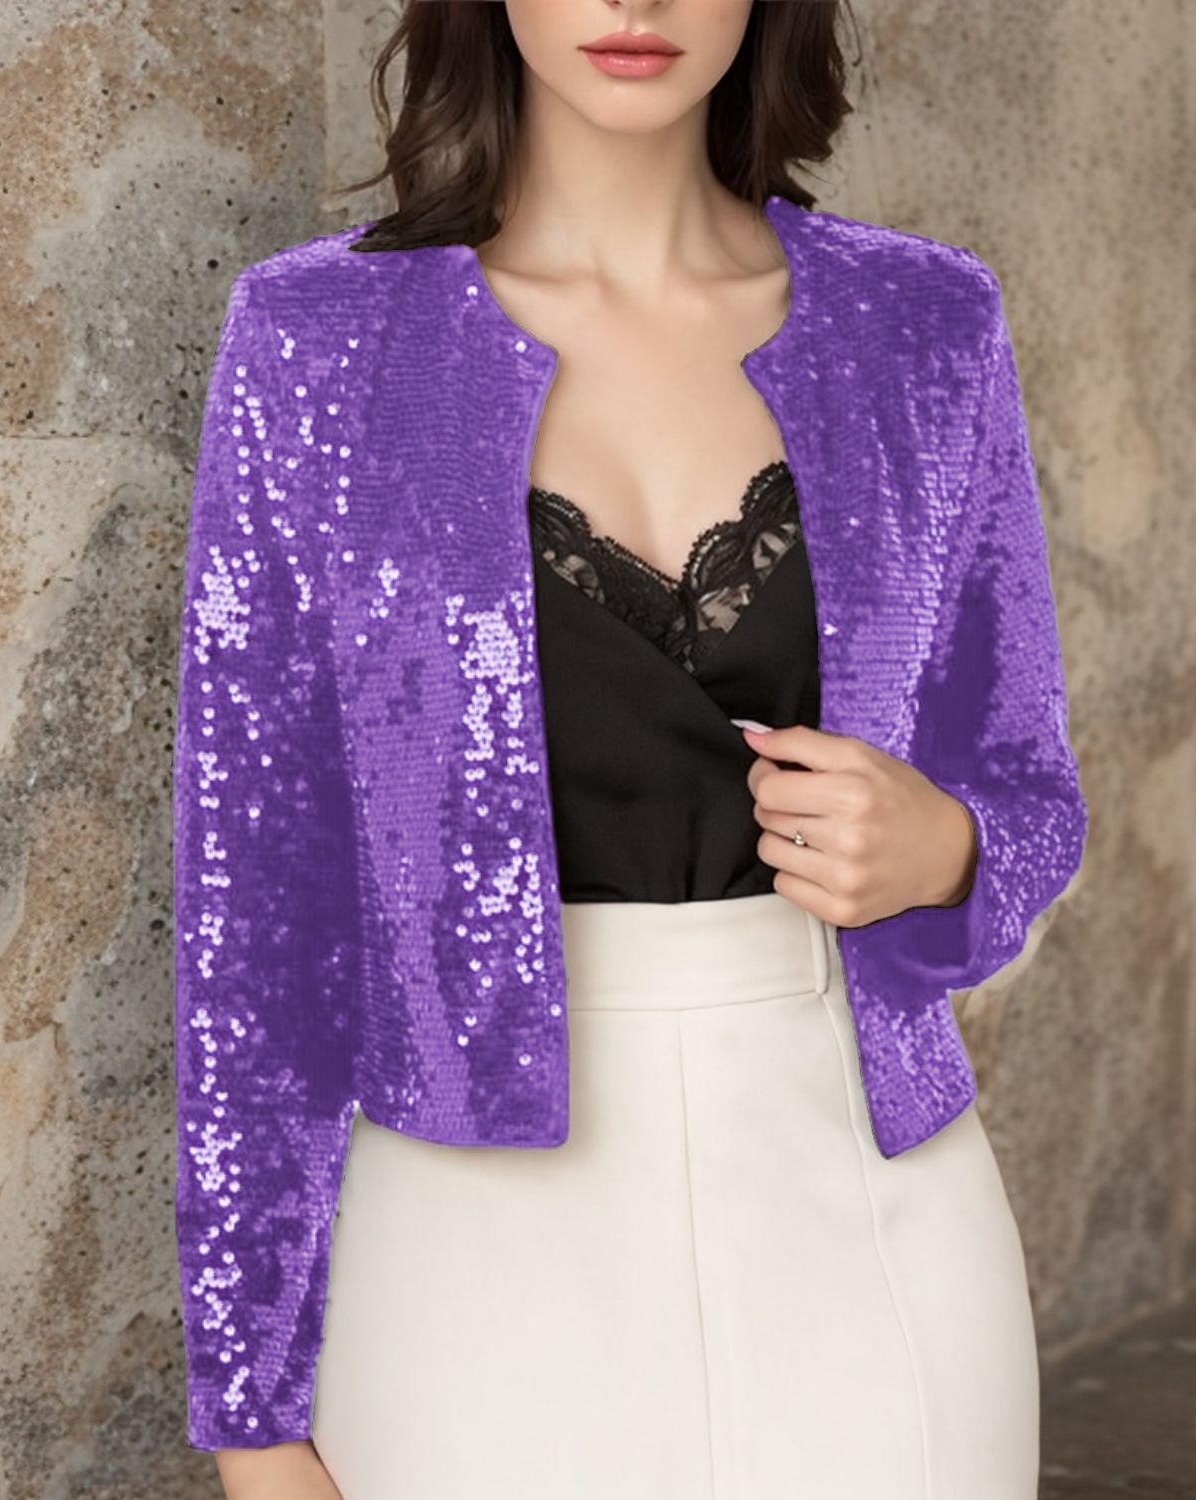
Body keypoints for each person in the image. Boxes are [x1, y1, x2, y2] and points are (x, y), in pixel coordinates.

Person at [172, 3, 1089, 1497]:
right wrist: (254, 1422)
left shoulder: (925, 324)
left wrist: (951, 851)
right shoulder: (318, 342)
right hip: (468, 1253)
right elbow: (256, 914)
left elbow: (1027, 779)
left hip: (873, 1217)